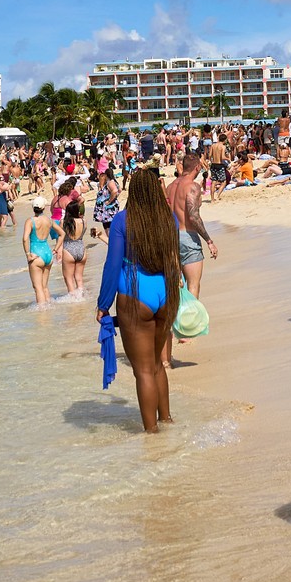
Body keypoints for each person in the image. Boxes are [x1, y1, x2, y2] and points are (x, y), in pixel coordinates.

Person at [96, 167, 183, 433]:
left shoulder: (123, 220)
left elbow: (112, 265)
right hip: (166, 293)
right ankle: (166, 420)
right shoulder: (170, 219)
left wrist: (103, 304)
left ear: (133, 192)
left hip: (136, 293)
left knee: (143, 370)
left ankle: (152, 436)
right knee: (157, 363)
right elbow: (173, 259)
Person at [167, 152, 217, 298]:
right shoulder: (193, 186)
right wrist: (209, 241)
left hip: (171, 237)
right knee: (193, 285)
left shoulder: (170, 187)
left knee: (176, 285)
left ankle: (175, 317)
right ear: (196, 168)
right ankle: (191, 320)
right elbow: (193, 216)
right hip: (187, 237)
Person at [23, 199, 62, 306]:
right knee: (44, 286)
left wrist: (27, 254)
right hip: (48, 254)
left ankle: (42, 315)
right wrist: (56, 248)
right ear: (43, 208)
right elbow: (62, 233)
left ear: (33, 208)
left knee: (38, 288)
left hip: (36, 255)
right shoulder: (49, 220)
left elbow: (25, 238)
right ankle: (49, 307)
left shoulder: (30, 221)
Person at [60, 199, 89, 299]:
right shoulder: (84, 221)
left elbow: (61, 236)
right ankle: (81, 298)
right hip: (81, 247)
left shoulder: (64, 222)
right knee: (79, 278)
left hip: (69, 248)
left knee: (68, 278)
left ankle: (73, 299)